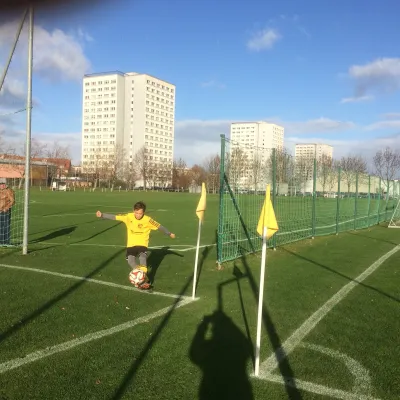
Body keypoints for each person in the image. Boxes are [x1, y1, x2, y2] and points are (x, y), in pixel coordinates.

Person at [96, 201, 175, 290]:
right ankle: (141, 277)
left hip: (142, 243)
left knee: (142, 258)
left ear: (143, 212)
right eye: (136, 213)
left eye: (140, 213)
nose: (138, 215)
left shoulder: (148, 220)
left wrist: (169, 233)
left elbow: (159, 226)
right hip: (131, 244)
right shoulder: (128, 217)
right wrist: (102, 215)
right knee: (131, 261)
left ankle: (143, 281)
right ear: (133, 211)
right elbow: (115, 217)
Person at [0, 178, 15, 245]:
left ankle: (6, 242)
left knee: (6, 226)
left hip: (5, 211)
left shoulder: (9, 191)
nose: (2, 185)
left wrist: (6, 208)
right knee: (0, 226)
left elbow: (12, 201)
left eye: (3, 184)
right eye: (1, 184)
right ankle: (1, 241)